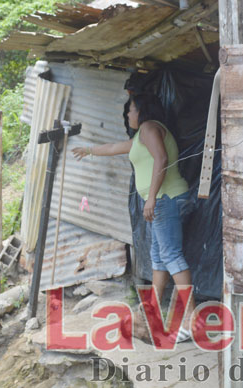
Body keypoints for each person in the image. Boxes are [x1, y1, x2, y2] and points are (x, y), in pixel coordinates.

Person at [72, 93, 194, 343]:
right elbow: (114, 148)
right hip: (161, 199)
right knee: (159, 256)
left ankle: (192, 320)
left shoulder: (150, 128)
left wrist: (150, 198)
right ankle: (152, 311)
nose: (128, 115)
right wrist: (88, 150)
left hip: (165, 199)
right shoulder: (140, 136)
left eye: (131, 109)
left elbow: (161, 159)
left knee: (170, 254)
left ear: (143, 111)